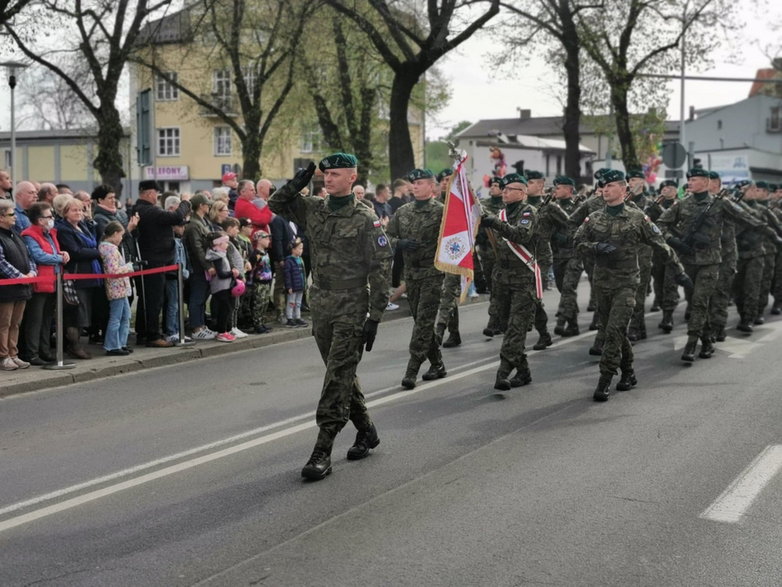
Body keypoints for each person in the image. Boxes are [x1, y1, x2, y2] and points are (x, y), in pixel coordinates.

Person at [269, 152, 392, 481]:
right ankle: (366, 430)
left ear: (352, 177)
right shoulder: (313, 208)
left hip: (352, 303)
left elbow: (381, 269)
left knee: (336, 378)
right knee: (342, 373)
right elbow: (275, 205)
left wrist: (375, 317)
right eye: (325, 174)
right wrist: (298, 182)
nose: (328, 179)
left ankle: (322, 449)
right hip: (321, 302)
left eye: (335, 174)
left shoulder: (366, 218)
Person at [574, 170, 690, 401]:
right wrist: (595, 247)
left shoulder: (638, 218)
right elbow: (577, 242)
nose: (605, 190)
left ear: (623, 189)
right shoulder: (594, 217)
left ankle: (605, 379)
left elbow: (661, 244)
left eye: (610, 186)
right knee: (611, 332)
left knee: (615, 331)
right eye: (603, 187)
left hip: (627, 284)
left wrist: (679, 271)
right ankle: (628, 371)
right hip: (602, 283)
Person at [658, 169, 767, 360]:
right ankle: (708, 340)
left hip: (711, 262)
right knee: (695, 303)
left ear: (706, 182)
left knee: (700, 301)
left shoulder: (720, 204)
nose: (690, 183)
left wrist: (761, 229)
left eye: (694, 180)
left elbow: (746, 218)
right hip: (689, 261)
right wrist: (674, 241)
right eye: (689, 180)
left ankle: (691, 345)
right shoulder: (682, 204)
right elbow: (660, 224)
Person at [386, 168, 447, 389]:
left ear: (432, 186)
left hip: (433, 273)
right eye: (413, 183)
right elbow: (386, 237)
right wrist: (399, 244)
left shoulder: (442, 212)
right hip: (411, 275)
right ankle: (438, 364)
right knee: (422, 322)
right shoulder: (403, 212)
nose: (415, 186)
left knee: (423, 322)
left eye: (420, 183)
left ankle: (412, 369)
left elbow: (454, 241)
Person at [479, 173, 539, 390]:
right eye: (503, 189)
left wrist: (496, 223)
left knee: (516, 328)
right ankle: (523, 372)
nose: (504, 191)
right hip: (501, 279)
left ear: (522, 193)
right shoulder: (502, 213)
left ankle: (502, 373)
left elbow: (522, 236)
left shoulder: (528, 212)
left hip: (522, 280)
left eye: (509, 189)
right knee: (506, 326)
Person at [132, 180, 191, 348]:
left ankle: (143, 333)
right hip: (154, 261)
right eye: (156, 194)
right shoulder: (148, 210)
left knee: (148, 300)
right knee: (154, 300)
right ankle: (152, 335)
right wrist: (185, 202)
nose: (157, 198)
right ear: (150, 193)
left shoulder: (143, 209)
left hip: (157, 260)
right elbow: (177, 217)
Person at [20, 203, 68, 365]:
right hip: (40, 283)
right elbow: (38, 256)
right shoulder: (30, 234)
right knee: (35, 319)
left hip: (53, 281)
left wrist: (61, 253)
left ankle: (45, 351)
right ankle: (32, 353)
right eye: (49, 216)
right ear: (40, 220)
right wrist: (59, 258)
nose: (52, 219)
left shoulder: (50, 234)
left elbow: (52, 252)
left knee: (47, 319)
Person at [56, 196, 103, 360]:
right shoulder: (63, 229)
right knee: (76, 313)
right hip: (77, 275)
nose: (78, 213)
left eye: (80, 210)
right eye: (74, 210)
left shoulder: (82, 225)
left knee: (85, 312)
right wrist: (97, 252)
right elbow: (76, 252)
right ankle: (73, 346)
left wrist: (89, 220)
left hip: (91, 273)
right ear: (65, 213)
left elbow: (95, 240)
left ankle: (76, 344)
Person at [0, 199, 36, 370]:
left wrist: (32, 272)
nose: (15, 217)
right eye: (11, 214)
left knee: (15, 323)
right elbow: (1, 262)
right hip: (6, 289)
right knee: (4, 323)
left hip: (22, 287)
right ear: (1, 217)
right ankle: (3, 356)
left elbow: (28, 256)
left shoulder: (15, 234)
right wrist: (20, 276)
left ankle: (13, 354)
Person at [645, 180, 680, 333]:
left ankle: (668, 316)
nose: (667, 190)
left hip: (673, 249)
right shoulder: (653, 206)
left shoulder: (681, 205)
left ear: (676, 191)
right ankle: (658, 300)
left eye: (670, 188)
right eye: (664, 188)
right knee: (658, 279)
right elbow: (645, 222)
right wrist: (651, 209)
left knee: (670, 282)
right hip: (657, 250)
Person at [550, 176, 582, 337]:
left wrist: (568, 239)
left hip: (574, 255)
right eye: (556, 187)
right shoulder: (551, 208)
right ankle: (573, 324)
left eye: (560, 187)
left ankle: (561, 321)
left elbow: (583, 229)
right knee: (564, 290)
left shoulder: (579, 208)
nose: (556, 189)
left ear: (569, 190)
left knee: (568, 288)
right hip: (557, 256)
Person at [98, 221, 135, 355]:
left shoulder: (105, 248)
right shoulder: (111, 250)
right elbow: (113, 271)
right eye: (120, 235)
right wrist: (129, 267)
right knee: (117, 317)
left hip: (119, 288)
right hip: (117, 288)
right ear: (114, 234)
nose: (121, 238)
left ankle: (121, 343)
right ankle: (113, 345)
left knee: (125, 316)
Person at [183, 193, 216, 340]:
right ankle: (196, 327)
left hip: (203, 266)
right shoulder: (194, 225)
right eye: (207, 204)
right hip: (198, 267)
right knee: (197, 297)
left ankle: (202, 325)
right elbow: (197, 249)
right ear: (201, 206)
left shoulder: (203, 222)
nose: (209, 206)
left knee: (202, 296)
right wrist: (207, 265)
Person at [205, 232, 238, 342]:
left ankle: (226, 330)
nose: (227, 244)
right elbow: (221, 273)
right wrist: (232, 273)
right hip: (220, 287)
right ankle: (221, 332)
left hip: (225, 286)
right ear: (218, 244)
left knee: (227, 309)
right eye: (225, 242)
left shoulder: (222, 254)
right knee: (224, 309)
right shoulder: (217, 257)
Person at [248, 229, 274, 334]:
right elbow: (251, 268)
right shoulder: (256, 254)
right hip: (259, 282)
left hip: (267, 281)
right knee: (258, 303)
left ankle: (262, 321)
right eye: (266, 238)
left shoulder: (266, 253)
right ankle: (257, 324)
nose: (269, 240)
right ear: (259, 240)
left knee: (265, 303)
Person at [283, 237, 308, 327]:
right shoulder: (289, 261)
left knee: (298, 303)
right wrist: (289, 286)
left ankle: (297, 317)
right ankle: (289, 318)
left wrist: (305, 285)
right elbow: (287, 275)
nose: (301, 250)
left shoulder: (300, 260)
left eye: (302, 248)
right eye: (300, 248)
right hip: (293, 287)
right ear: (293, 250)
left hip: (300, 286)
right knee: (291, 302)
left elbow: (303, 274)